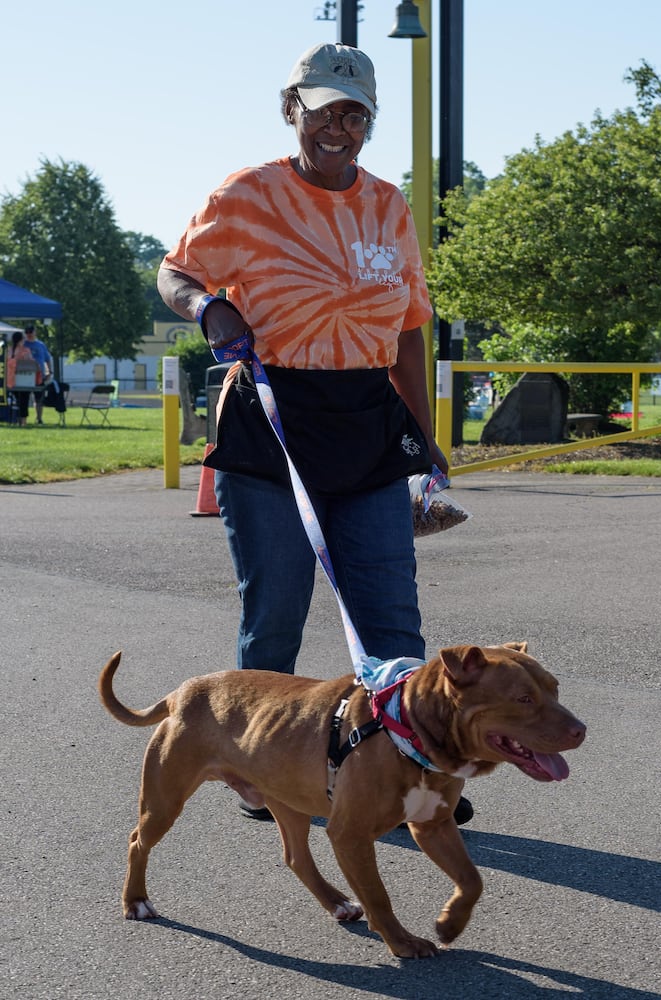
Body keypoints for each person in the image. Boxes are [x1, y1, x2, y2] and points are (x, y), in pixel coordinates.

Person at [157, 42, 473, 826]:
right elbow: (173, 272)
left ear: (369, 122)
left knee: (390, 618)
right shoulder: (249, 195)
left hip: (366, 424)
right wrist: (208, 307)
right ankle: (263, 772)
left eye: (354, 111)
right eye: (323, 106)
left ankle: (404, 768)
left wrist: (425, 436)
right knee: (276, 614)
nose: (339, 124)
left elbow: (407, 331)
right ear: (291, 107)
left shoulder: (387, 206)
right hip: (270, 424)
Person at [24, 324, 53, 424]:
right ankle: (24, 419)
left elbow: (47, 359)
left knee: (39, 398)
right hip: (26, 375)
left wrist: (49, 371)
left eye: (30, 332)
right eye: (27, 332)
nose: (29, 334)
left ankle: (39, 418)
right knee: (25, 398)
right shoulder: (23, 344)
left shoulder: (41, 345)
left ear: (35, 332)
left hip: (40, 376)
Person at [6, 331, 37, 427]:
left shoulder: (9, 350)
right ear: (20, 340)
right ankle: (23, 421)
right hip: (25, 378)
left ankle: (16, 419)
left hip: (11, 380)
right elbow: (31, 362)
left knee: (17, 401)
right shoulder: (25, 350)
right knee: (24, 400)